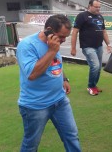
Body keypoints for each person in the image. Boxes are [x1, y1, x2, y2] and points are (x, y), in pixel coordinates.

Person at [16, 14, 81, 151]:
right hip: (35, 105)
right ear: (49, 30)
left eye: (66, 37)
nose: (63, 40)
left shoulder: (54, 42)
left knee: (72, 136)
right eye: (61, 36)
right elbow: (32, 74)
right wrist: (52, 50)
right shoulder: (27, 45)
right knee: (31, 144)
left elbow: (55, 62)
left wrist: (64, 78)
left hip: (60, 100)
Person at [71, 0, 112, 96]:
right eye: (96, 7)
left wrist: (109, 44)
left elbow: (104, 32)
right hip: (88, 47)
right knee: (95, 66)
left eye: (99, 7)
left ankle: (94, 85)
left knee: (98, 68)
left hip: (99, 46)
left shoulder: (100, 16)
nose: (98, 9)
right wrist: (73, 48)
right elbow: (75, 32)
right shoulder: (82, 16)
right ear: (90, 6)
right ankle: (90, 86)